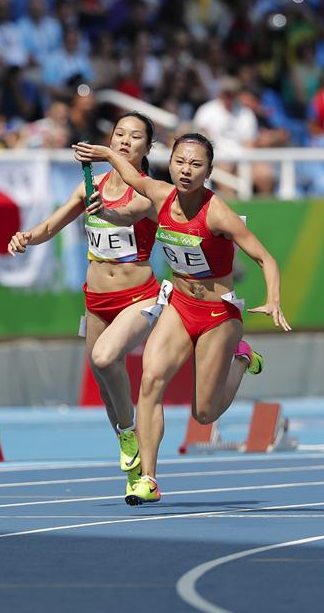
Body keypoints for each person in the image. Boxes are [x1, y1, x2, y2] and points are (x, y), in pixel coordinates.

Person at [73, 132, 290, 505]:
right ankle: (149, 479)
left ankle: (241, 358)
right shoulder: (159, 195)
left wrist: (273, 299)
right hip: (179, 306)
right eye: (180, 162)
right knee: (150, 383)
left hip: (218, 316)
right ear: (170, 163)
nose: (186, 170)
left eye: (196, 165)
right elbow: (132, 176)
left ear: (208, 171)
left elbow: (265, 258)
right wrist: (108, 154)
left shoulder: (218, 213)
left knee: (203, 413)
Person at [7, 112, 160, 491]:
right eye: (119, 133)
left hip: (137, 296)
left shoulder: (150, 192)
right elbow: (50, 225)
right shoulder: (89, 185)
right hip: (96, 300)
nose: (125, 141)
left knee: (105, 358)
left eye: (135, 136)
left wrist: (104, 188)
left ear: (147, 147)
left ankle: (130, 432)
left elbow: (123, 215)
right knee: (106, 386)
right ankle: (134, 473)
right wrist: (25, 237)